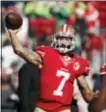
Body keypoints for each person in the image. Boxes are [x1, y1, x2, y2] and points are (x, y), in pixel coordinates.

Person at [7, 24, 97, 112]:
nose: (63, 42)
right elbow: (20, 50)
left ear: (73, 40)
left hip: (64, 109)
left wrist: (97, 97)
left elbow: (87, 94)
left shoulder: (79, 63)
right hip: (42, 108)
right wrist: (12, 34)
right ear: (55, 39)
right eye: (61, 38)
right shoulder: (46, 53)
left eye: (67, 39)